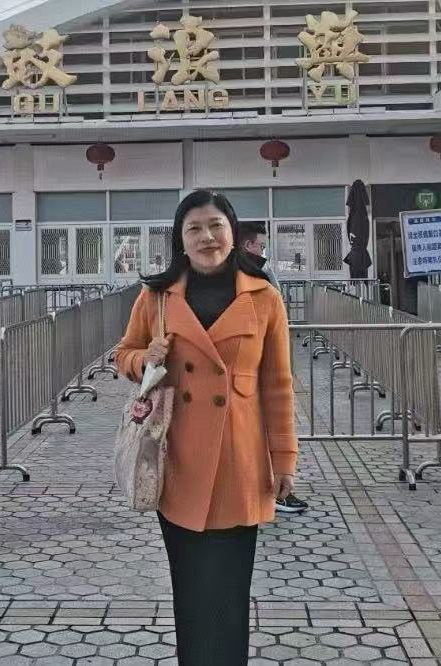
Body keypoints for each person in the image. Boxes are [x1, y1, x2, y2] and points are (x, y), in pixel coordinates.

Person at [115, 190, 299, 666]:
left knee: (231, 596)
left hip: (241, 463)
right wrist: (143, 358)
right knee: (192, 593)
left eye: (216, 225)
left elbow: (278, 385)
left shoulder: (264, 297)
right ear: (180, 239)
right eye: (194, 228)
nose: (207, 237)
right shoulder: (156, 296)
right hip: (181, 462)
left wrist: (285, 460)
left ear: (233, 232)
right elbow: (123, 354)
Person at [237, 221, 309, 514]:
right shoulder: (253, 274)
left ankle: (275, 490)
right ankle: (276, 492)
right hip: (255, 372)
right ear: (247, 245)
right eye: (262, 246)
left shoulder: (252, 273)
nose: (264, 251)